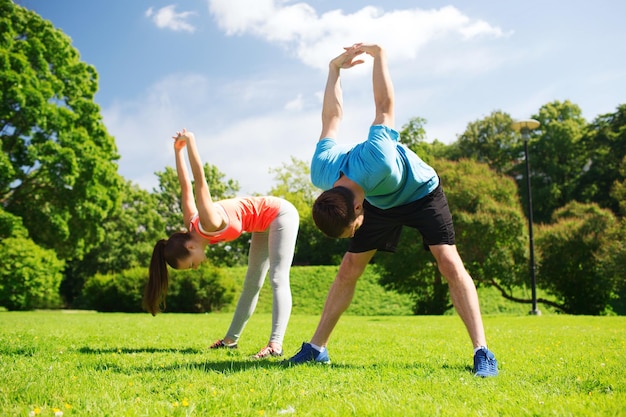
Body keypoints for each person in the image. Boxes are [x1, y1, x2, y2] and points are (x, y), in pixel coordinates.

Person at [287, 44, 498, 377]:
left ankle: (482, 352)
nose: (355, 232)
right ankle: (316, 349)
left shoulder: (378, 158)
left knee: (447, 261)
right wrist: (333, 70)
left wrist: (379, 54)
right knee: (348, 268)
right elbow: (331, 118)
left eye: (353, 227)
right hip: (380, 202)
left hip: (421, 192)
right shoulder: (322, 171)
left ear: (358, 208)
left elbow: (384, 106)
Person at [145, 128, 299, 359]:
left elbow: (198, 183)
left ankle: (275, 345)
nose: (196, 267)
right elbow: (183, 186)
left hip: (279, 214)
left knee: (277, 277)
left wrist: (191, 142)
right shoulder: (192, 224)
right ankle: (230, 342)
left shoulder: (208, 221)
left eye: (191, 265)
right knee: (251, 284)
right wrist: (177, 152)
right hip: (261, 225)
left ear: (190, 247)